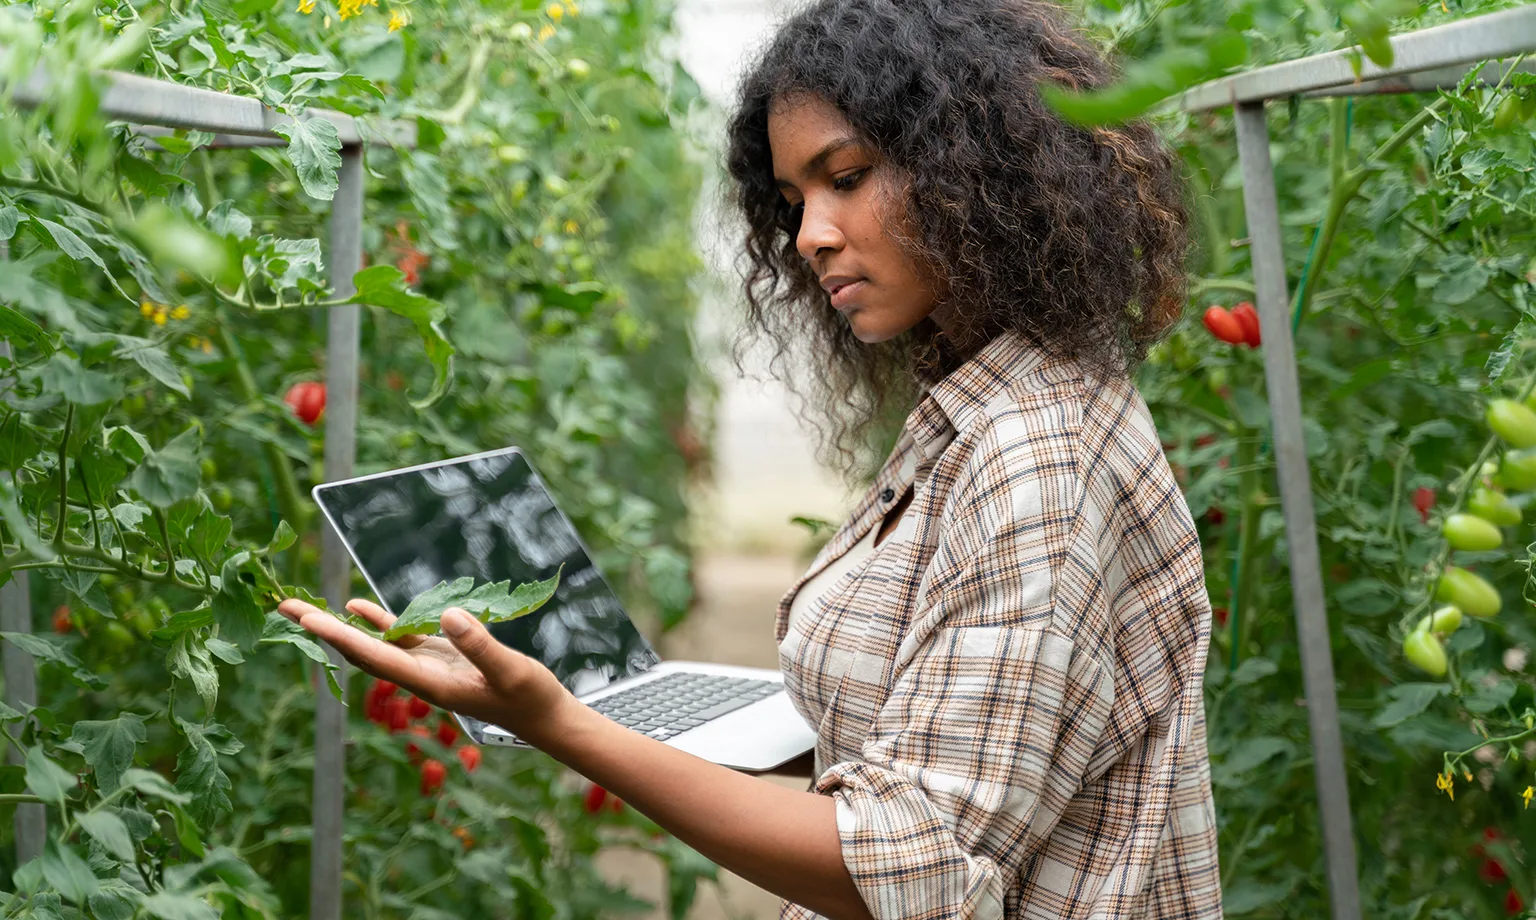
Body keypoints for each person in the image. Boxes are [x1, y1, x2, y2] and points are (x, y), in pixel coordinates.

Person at [278, 0, 1221, 916]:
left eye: (846, 176)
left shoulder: (1034, 454)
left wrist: (560, 724)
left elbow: (909, 875)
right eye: (792, 199)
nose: (810, 235)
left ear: (980, 167)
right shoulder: (998, 400)